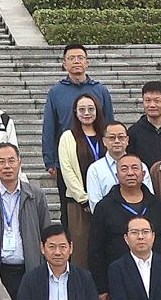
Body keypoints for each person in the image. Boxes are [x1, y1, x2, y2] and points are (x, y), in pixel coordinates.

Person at [0, 143, 47, 291]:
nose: (7, 166)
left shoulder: (36, 195)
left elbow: (46, 234)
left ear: (19, 163)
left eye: (11, 161)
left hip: (30, 269)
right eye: (2, 161)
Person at [40, 44, 113, 192]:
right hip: (68, 156)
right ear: (64, 64)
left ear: (87, 62)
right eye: (71, 58)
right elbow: (49, 127)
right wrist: (50, 161)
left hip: (98, 154)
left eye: (80, 57)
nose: (76, 61)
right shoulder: (56, 92)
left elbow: (110, 123)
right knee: (69, 202)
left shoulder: (100, 90)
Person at [90, 153, 161, 281]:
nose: (130, 173)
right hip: (118, 278)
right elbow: (96, 250)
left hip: (156, 276)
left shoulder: (157, 205)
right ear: (117, 176)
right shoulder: (104, 207)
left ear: (143, 174)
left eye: (135, 168)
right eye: (124, 169)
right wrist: (102, 286)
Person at [54, 94, 107, 259]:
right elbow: (67, 170)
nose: (87, 113)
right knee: (81, 252)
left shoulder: (105, 136)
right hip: (79, 204)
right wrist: (83, 199)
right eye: (82, 109)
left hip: (106, 202)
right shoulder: (68, 137)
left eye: (91, 109)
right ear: (75, 113)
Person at [81, 121, 144, 211]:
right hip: (108, 217)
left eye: (121, 137)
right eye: (112, 138)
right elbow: (95, 203)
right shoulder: (95, 169)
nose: (117, 141)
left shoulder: (140, 166)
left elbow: (148, 196)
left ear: (127, 140)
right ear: (104, 141)